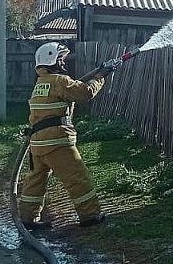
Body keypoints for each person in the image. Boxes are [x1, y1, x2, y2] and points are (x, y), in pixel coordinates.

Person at [18, 42, 120, 230]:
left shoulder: (41, 83)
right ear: (53, 60)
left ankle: (27, 218)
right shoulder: (59, 81)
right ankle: (90, 215)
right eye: (61, 59)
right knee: (77, 177)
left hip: (38, 143)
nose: (64, 63)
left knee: (35, 181)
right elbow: (85, 93)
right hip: (57, 142)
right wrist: (100, 77)